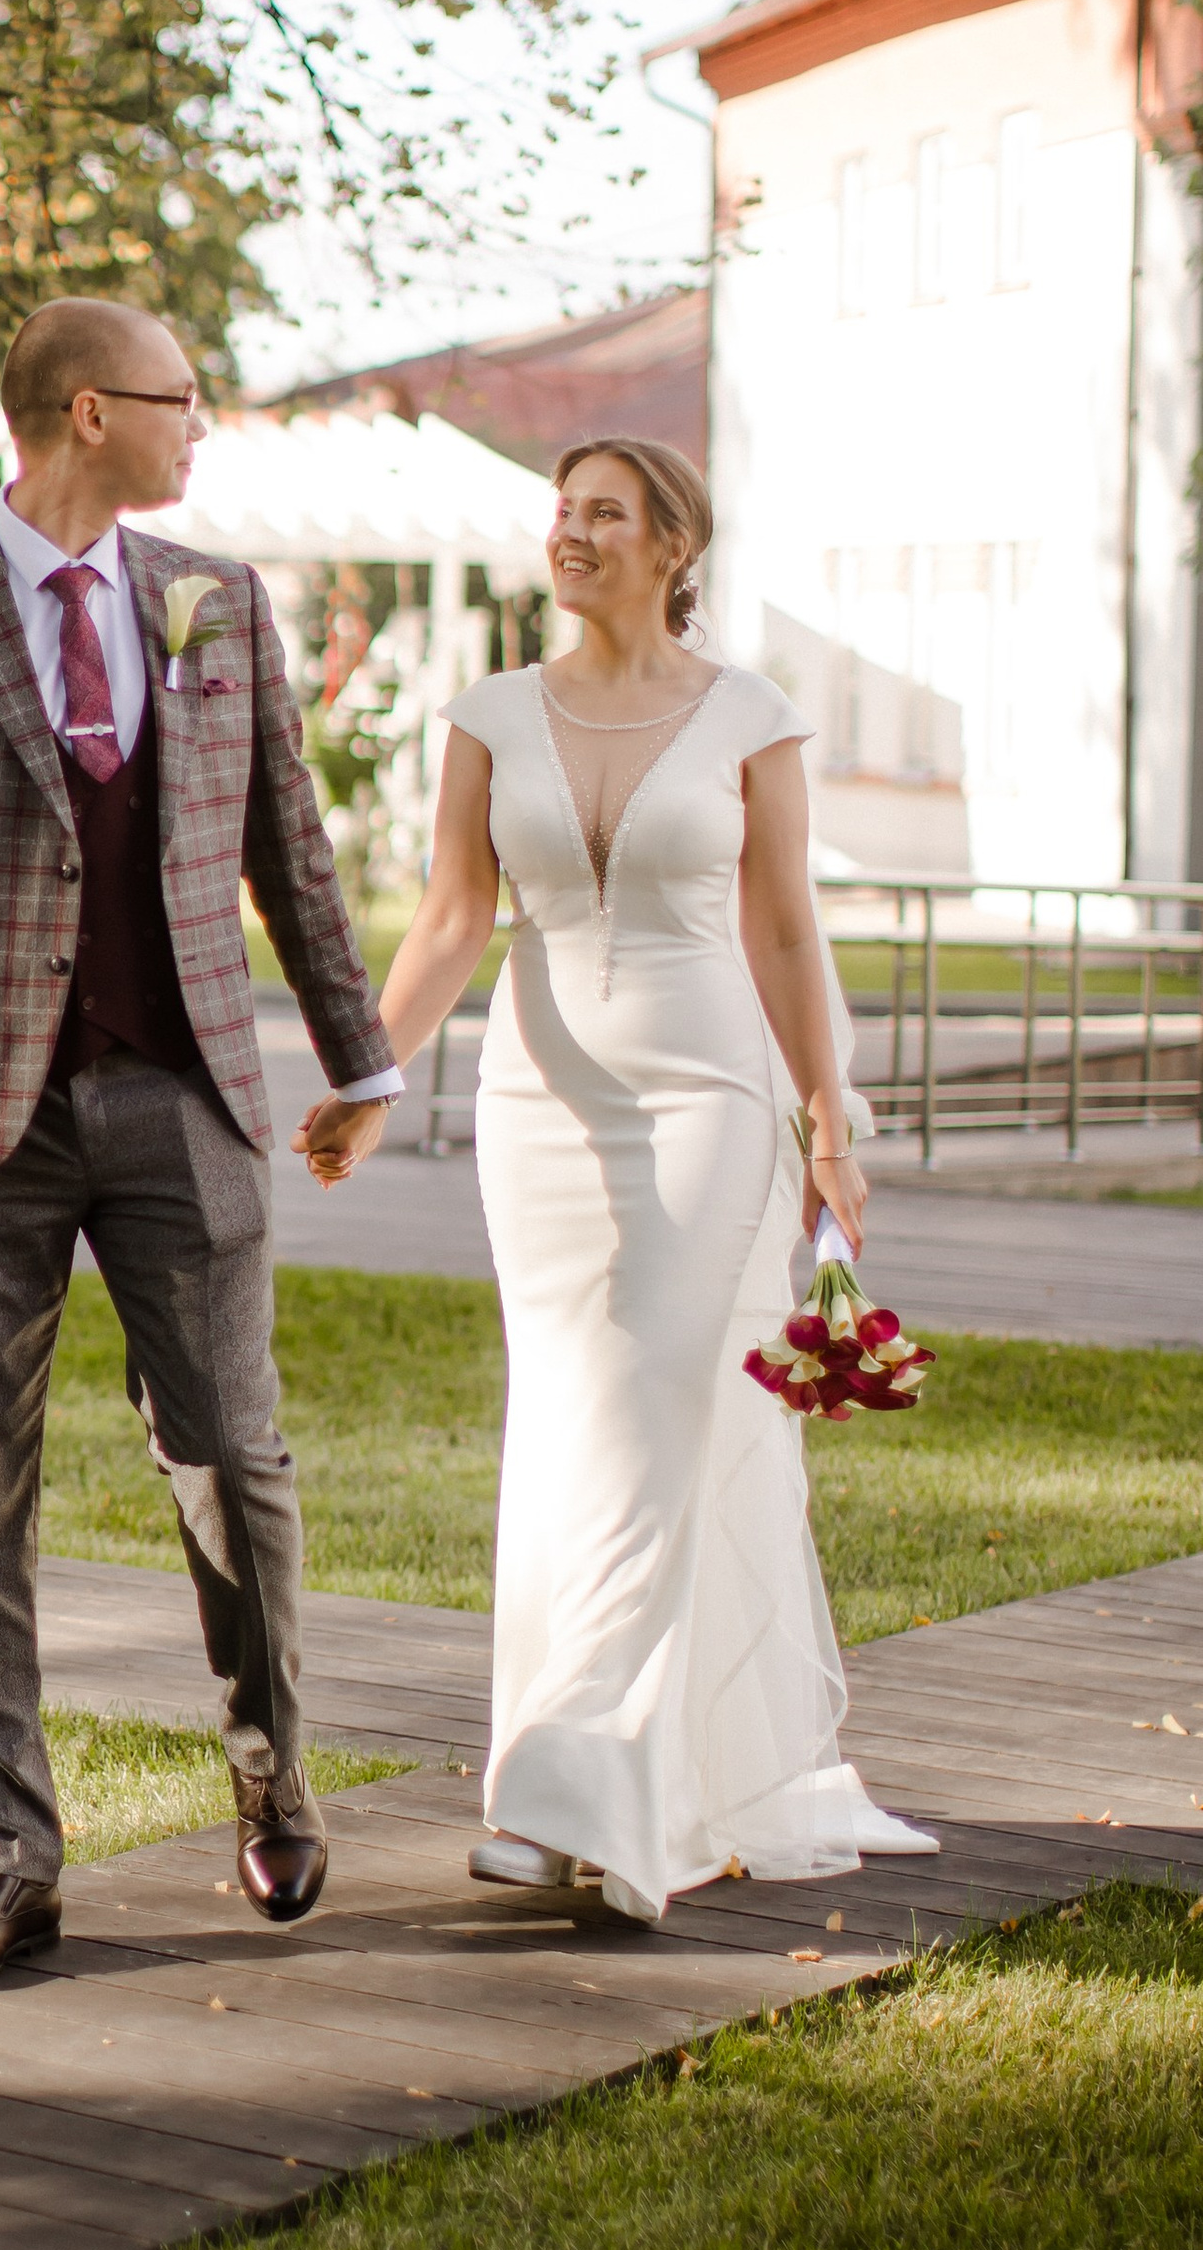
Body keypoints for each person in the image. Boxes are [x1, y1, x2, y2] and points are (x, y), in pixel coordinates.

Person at [0, 297, 400, 1987]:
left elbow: (294, 846)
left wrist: (360, 1058)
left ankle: (271, 1780)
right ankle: (2, 1860)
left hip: (184, 1100)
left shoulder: (217, 601)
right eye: (180, 401)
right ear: (82, 414)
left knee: (234, 1467)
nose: (201, 428)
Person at [348, 435, 936, 1926]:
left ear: (675, 545)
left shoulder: (753, 719)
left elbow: (788, 936)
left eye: (605, 512)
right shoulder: (488, 715)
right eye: (563, 510)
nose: (573, 531)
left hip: (708, 1102)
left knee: (657, 1428)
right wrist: (371, 1078)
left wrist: (828, 1121)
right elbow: (451, 921)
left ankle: (562, 1795)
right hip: (538, 1115)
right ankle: (587, 1786)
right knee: (565, 1433)